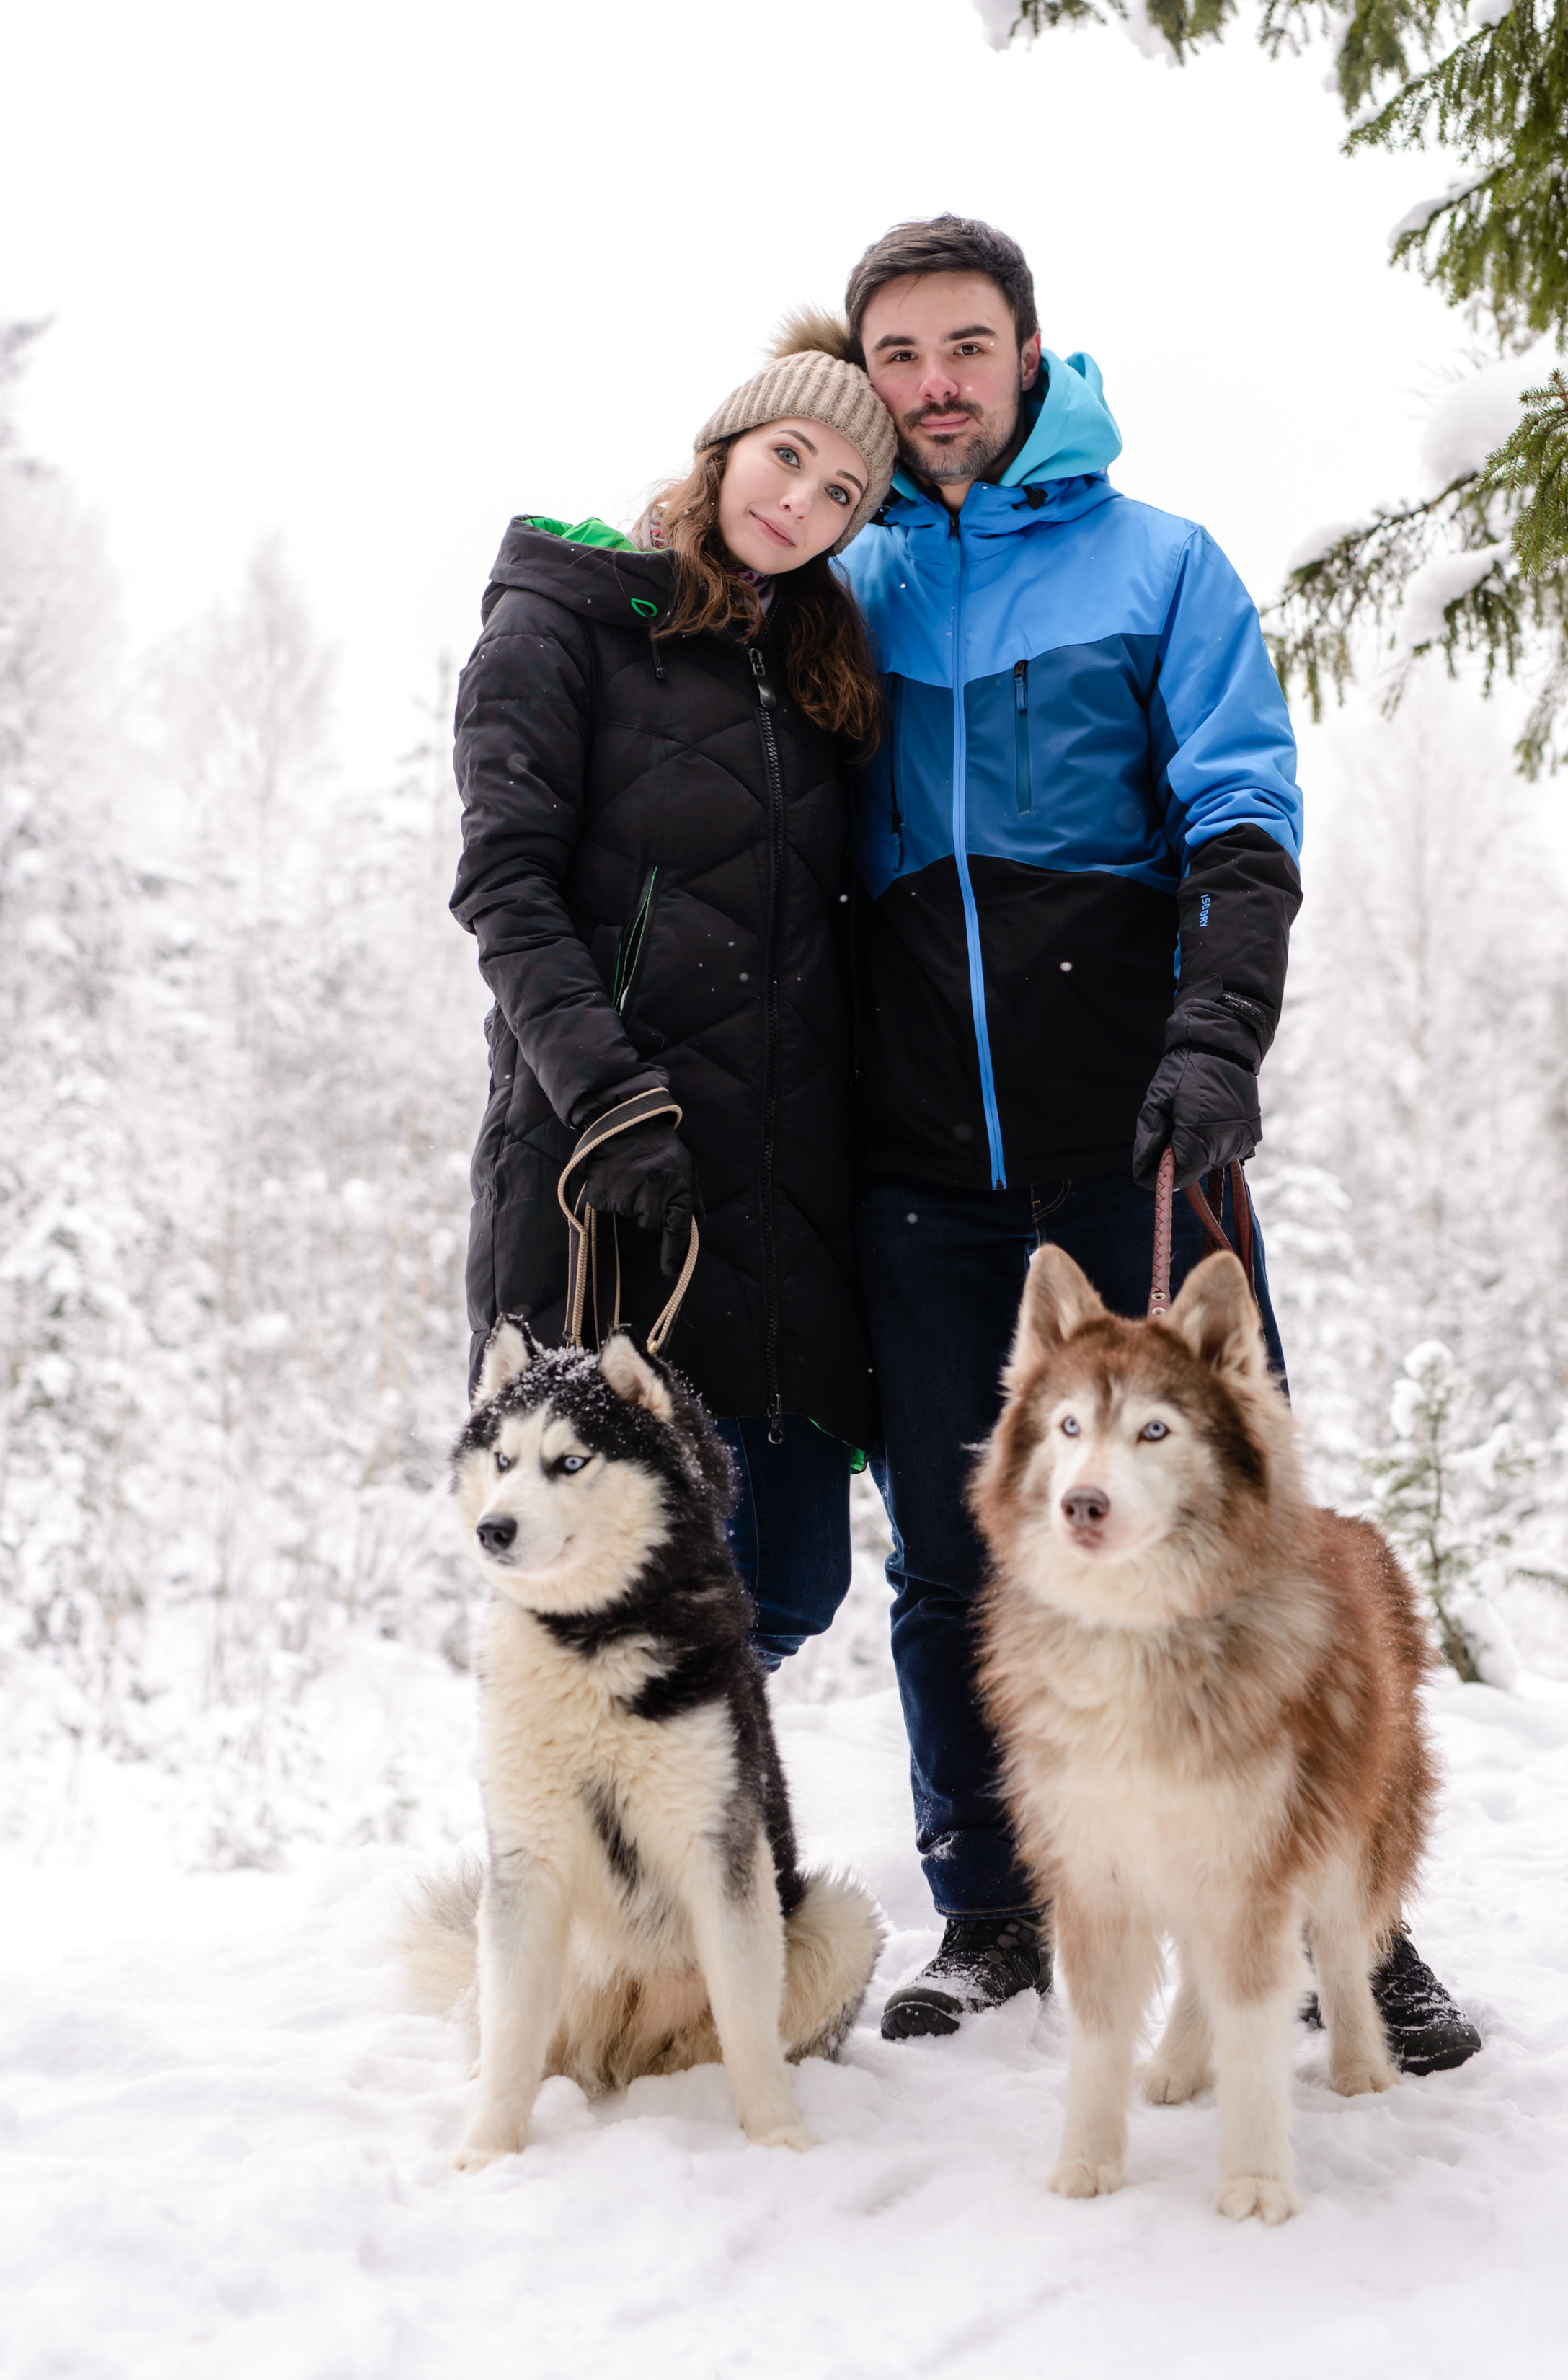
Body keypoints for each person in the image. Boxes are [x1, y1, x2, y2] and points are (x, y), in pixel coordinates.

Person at [841, 215, 1481, 2074]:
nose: (934, 384)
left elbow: (1240, 812)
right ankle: (994, 1907)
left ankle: (1348, 1910)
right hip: (912, 1162)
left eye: (965, 346)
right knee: (962, 1555)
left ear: (1029, 357)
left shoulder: (1159, 566)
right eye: (899, 354)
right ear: (864, 373)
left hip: (1136, 1134)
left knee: (1236, 1526)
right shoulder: (849, 584)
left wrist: (1212, 1036)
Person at [450, 318, 895, 1661]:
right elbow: (505, 887)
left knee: (788, 1581)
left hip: (781, 1209)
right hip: (606, 1185)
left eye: (841, 497)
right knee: (607, 1602)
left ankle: (670, 1854)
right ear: (723, 445)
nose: (801, 504)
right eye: (788, 456)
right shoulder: (566, 617)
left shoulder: (815, 675)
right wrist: (610, 1099)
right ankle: (588, 1861)